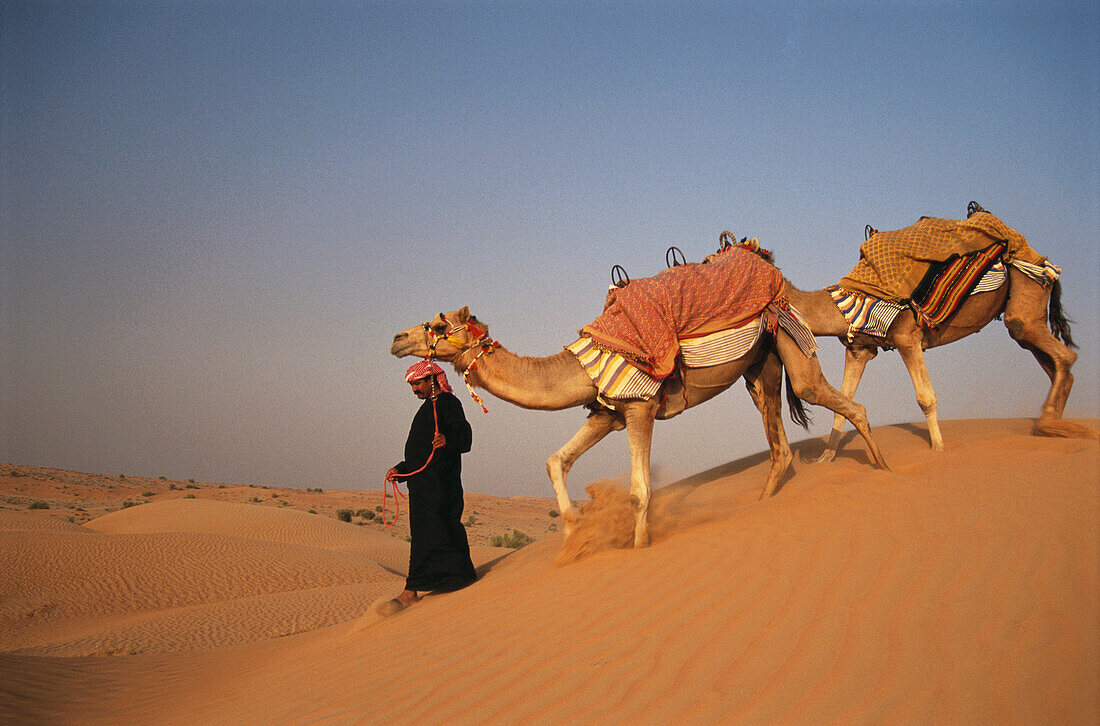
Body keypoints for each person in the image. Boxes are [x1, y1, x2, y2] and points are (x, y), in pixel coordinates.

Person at [380, 360, 477, 615]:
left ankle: (412, 591)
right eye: (412, 385)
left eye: (417, 383)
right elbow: (420, 453)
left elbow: (465, 438)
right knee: (425, 535)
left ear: (431, 379)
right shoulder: (427, 409)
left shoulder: (448, 404)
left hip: (441, 486)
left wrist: (448, 440)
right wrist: (400, 470)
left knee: (439, 532)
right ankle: (451, 580)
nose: (414, 389)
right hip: (423, 486)